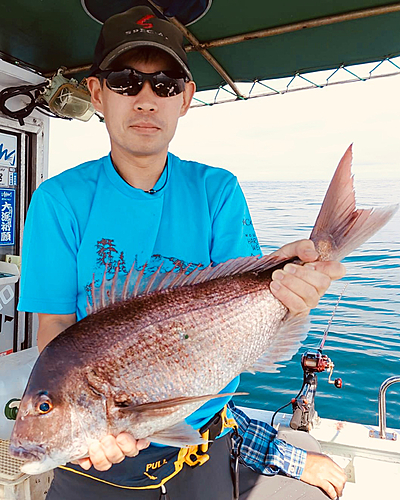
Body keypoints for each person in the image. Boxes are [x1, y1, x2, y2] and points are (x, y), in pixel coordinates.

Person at [18, 6, 347, 500]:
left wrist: (294, 293)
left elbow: (256, 303)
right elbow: (55, 332)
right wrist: (80, 424)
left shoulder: (217, 189)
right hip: (95, 467)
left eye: (165, 84)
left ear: (186, 98)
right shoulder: (57, 201)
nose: (146, 99)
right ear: (97, 93)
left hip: (202, 451)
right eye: (126, 81)